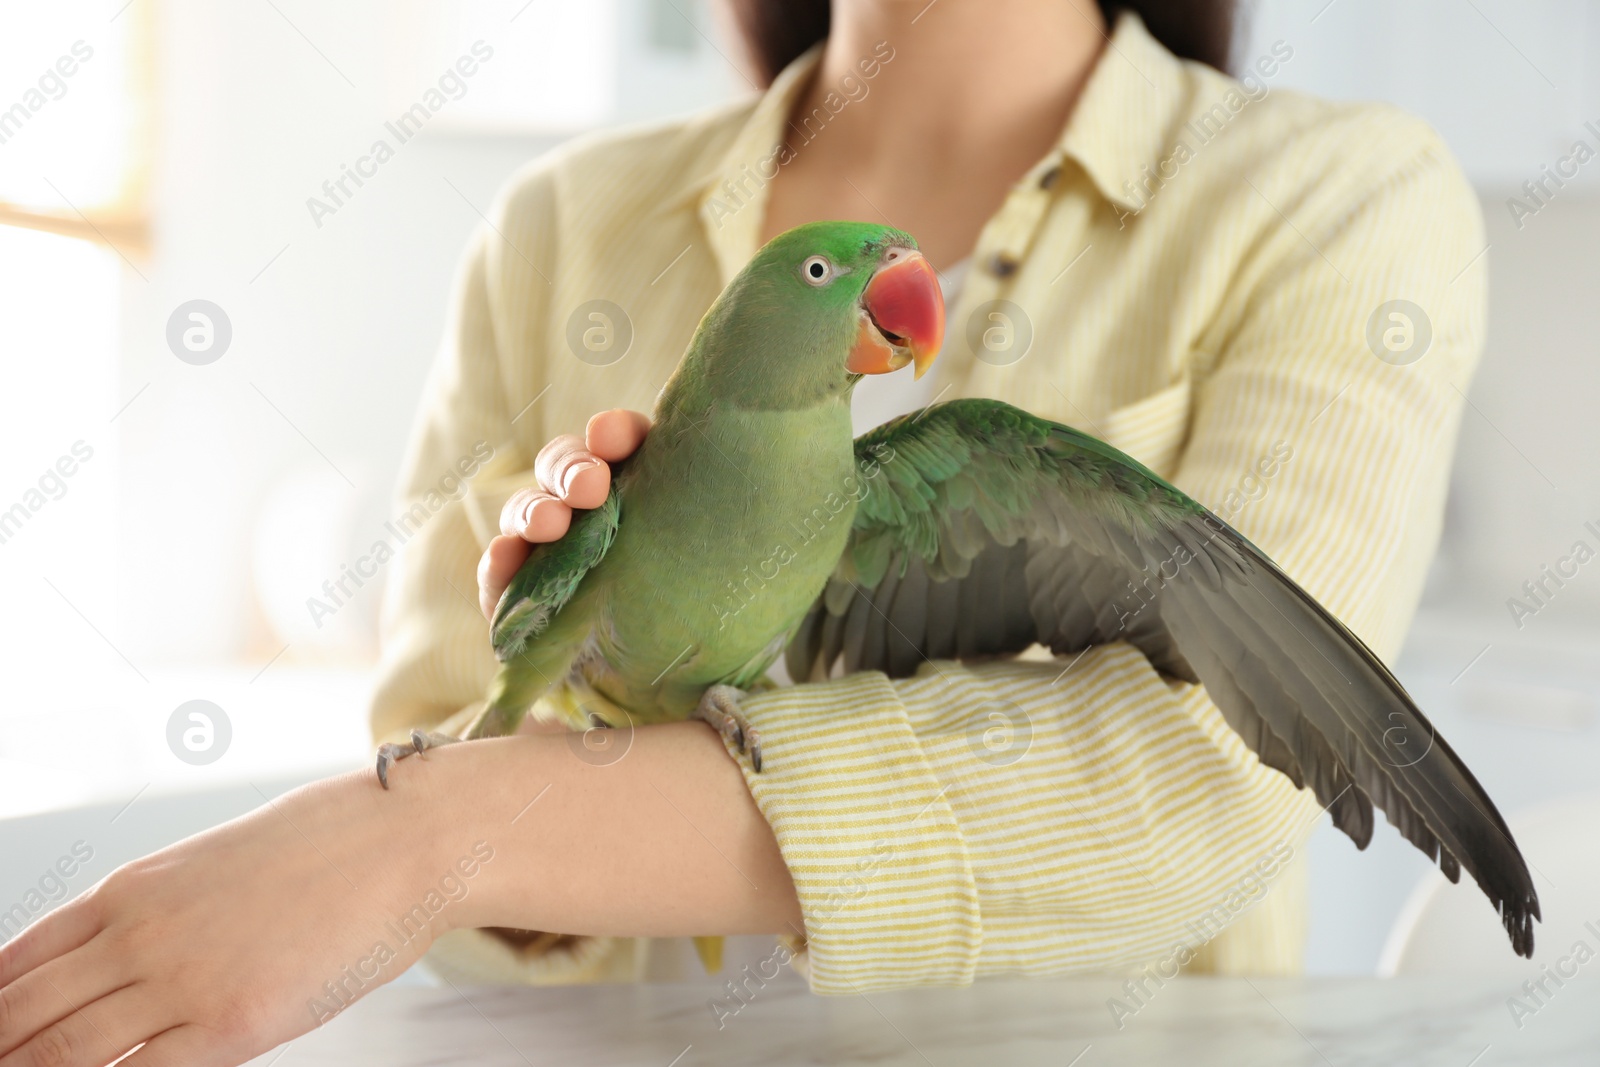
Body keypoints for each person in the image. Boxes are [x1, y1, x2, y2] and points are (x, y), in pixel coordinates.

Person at [0, 1, 1485, 1062]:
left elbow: (1197, 789)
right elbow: (458, 823)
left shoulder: (1334, 195)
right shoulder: (556, 227)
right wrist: (548, 667)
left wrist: (444, 833)